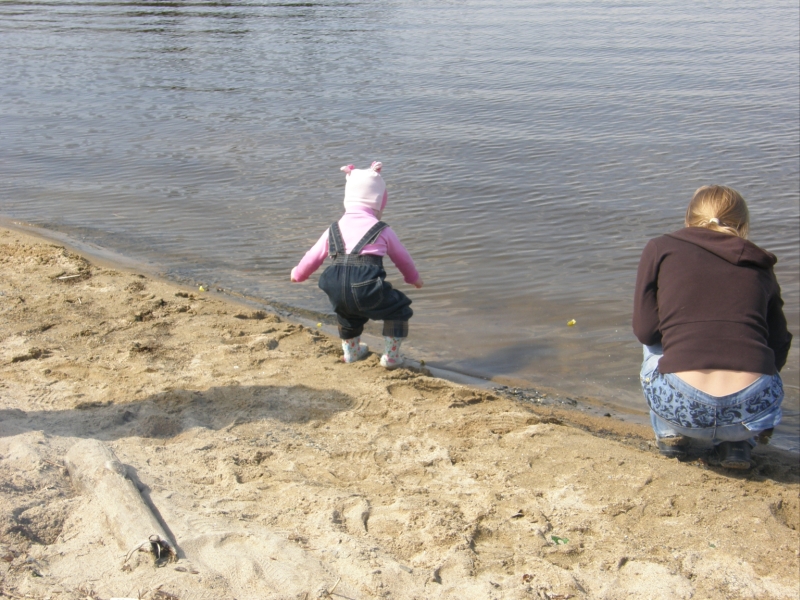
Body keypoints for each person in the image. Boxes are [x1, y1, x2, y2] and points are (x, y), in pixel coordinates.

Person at [632, 185, 792, 469]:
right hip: (750, 414)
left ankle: (670, 434)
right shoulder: (760, 263)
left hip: (681, 410)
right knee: (759, 348)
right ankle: (737, 444)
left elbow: (645, 330)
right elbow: (779, 341)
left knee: (654, 340)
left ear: (688, 219)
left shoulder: (660, 248)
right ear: (743, 225)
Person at [291, 161, 423, 369]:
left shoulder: (334, 229)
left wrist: (298, 274)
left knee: (347, 314)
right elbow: (402, 258)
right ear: (378, 203)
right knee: (398, 309)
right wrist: (413, 278)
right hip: (366, 284)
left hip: (334, 284)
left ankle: (352, 353)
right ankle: (391, 357)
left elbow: (313, 256)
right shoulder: (382, 230)